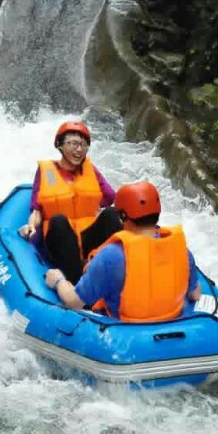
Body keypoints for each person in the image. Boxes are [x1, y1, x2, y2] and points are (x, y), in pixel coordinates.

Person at [45, 181, 202, 322]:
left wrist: (59, 281)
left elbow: (74, 302)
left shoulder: (111, 256)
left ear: (123, 216)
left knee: (60, 225)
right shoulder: (182, 250)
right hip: (170, 320)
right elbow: (195, 294)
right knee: (107, 216)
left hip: (122, 328)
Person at [20, 121, 122, 283]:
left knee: (111, 213)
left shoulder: (90, 170)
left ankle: (117, 272)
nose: (79, 149)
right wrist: (31, 226)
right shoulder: (47, 172)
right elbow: (37, 210)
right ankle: (76, 281)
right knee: (59, 220)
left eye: (83, 145)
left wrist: (92, 205)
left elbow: (109, 198)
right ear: (59, 145)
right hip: (59, 241)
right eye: (73, 144)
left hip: (87, 239)